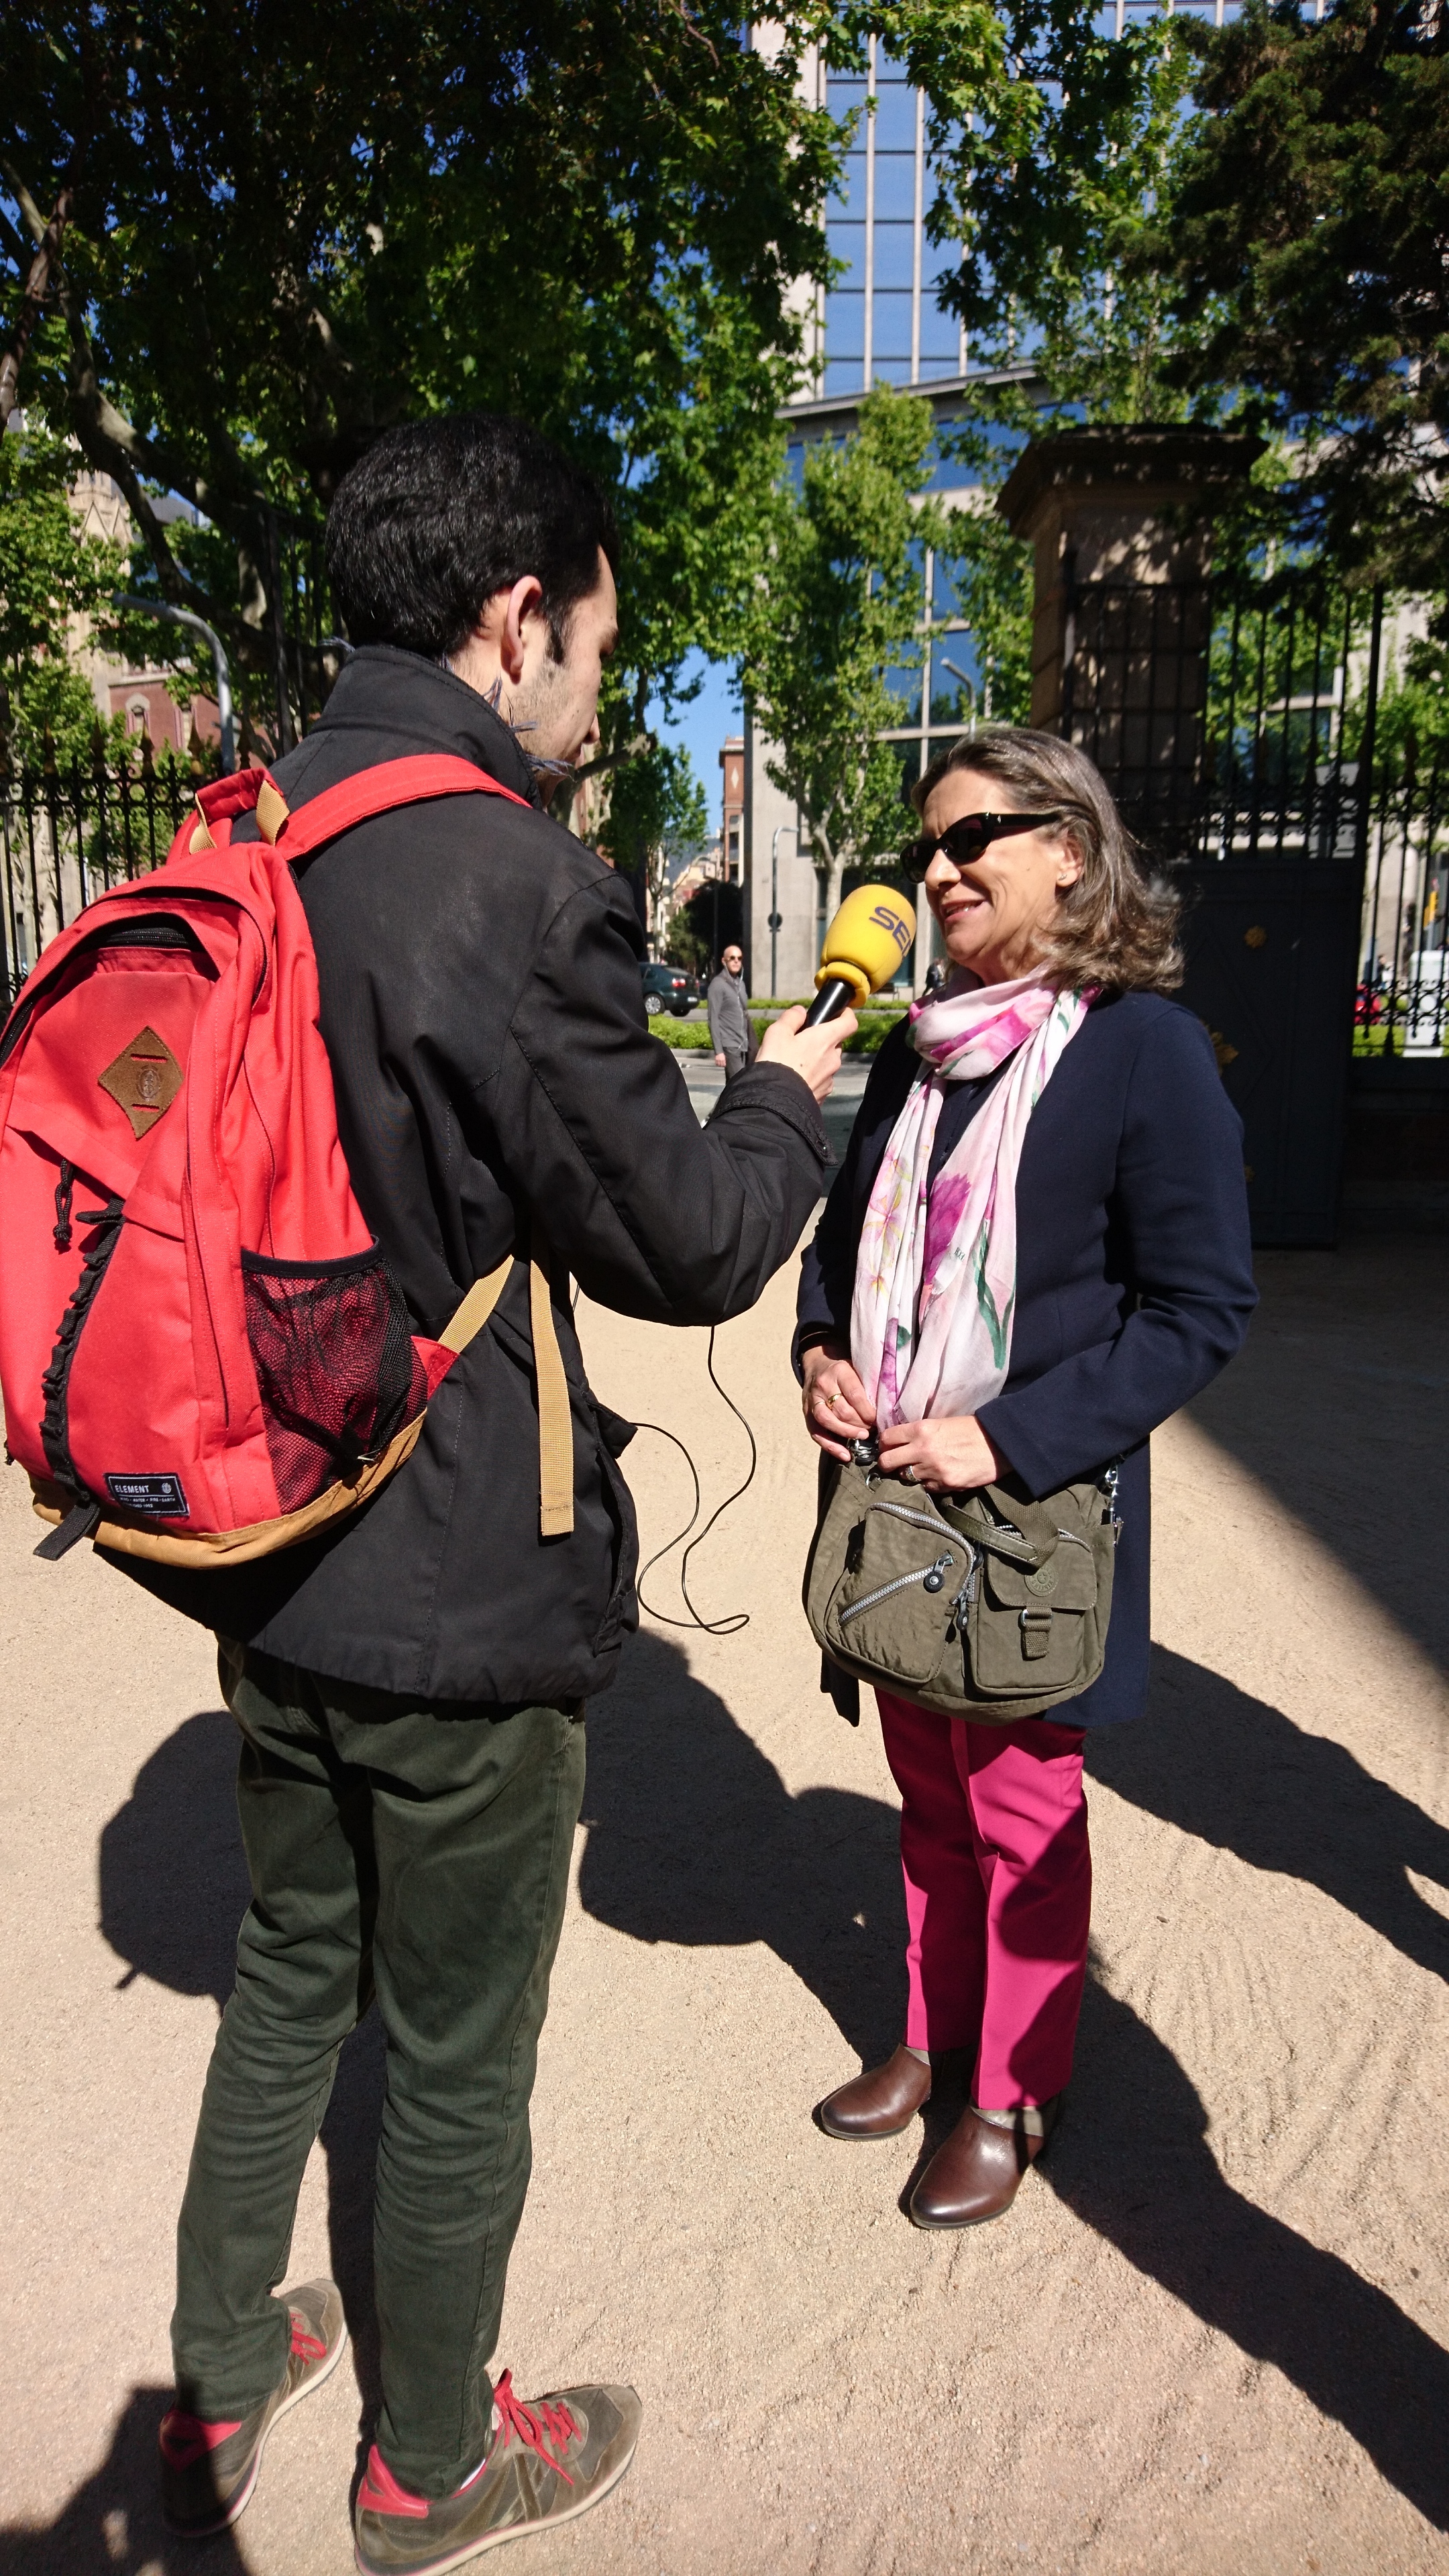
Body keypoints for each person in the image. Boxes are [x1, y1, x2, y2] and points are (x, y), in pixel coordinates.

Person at [123, 412, 852, 2571]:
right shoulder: (518, 875)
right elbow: (694, 1240)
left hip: (252, 1532)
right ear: (515, 614)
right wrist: (788, 1099)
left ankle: (219, 2364)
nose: (599, 690)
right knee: (453, 2051)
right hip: (452, 1567)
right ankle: (434, 2461)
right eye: (599, 644)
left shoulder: (244, 819)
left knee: (285, 1969)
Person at [795, 727, 1255, 2230]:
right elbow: (836, 1244)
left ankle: (1011, 2090)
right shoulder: (922, 1050)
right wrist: (820, 1356)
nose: (936, 869)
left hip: (1029, 1516)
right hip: (892, 1497)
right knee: (925, 1801)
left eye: (970, 836)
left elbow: (1201, 1310)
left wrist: (1008, 1437)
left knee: (1020, 1814)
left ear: (1070, 844)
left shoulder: (1145, 1052)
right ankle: (931, 2043)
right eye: (927, 847)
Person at [707, 940, 757, 1080]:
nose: (736, 961)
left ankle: (724, 1103)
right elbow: (713, 1019)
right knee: (739, 1084)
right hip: (730, 1046)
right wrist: (719, 1051)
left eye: (739, 958)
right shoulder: (717, 985)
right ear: (724, 961)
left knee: (734, 1086)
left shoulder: (740, 984)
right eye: (732, 958)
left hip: (744, 1044)